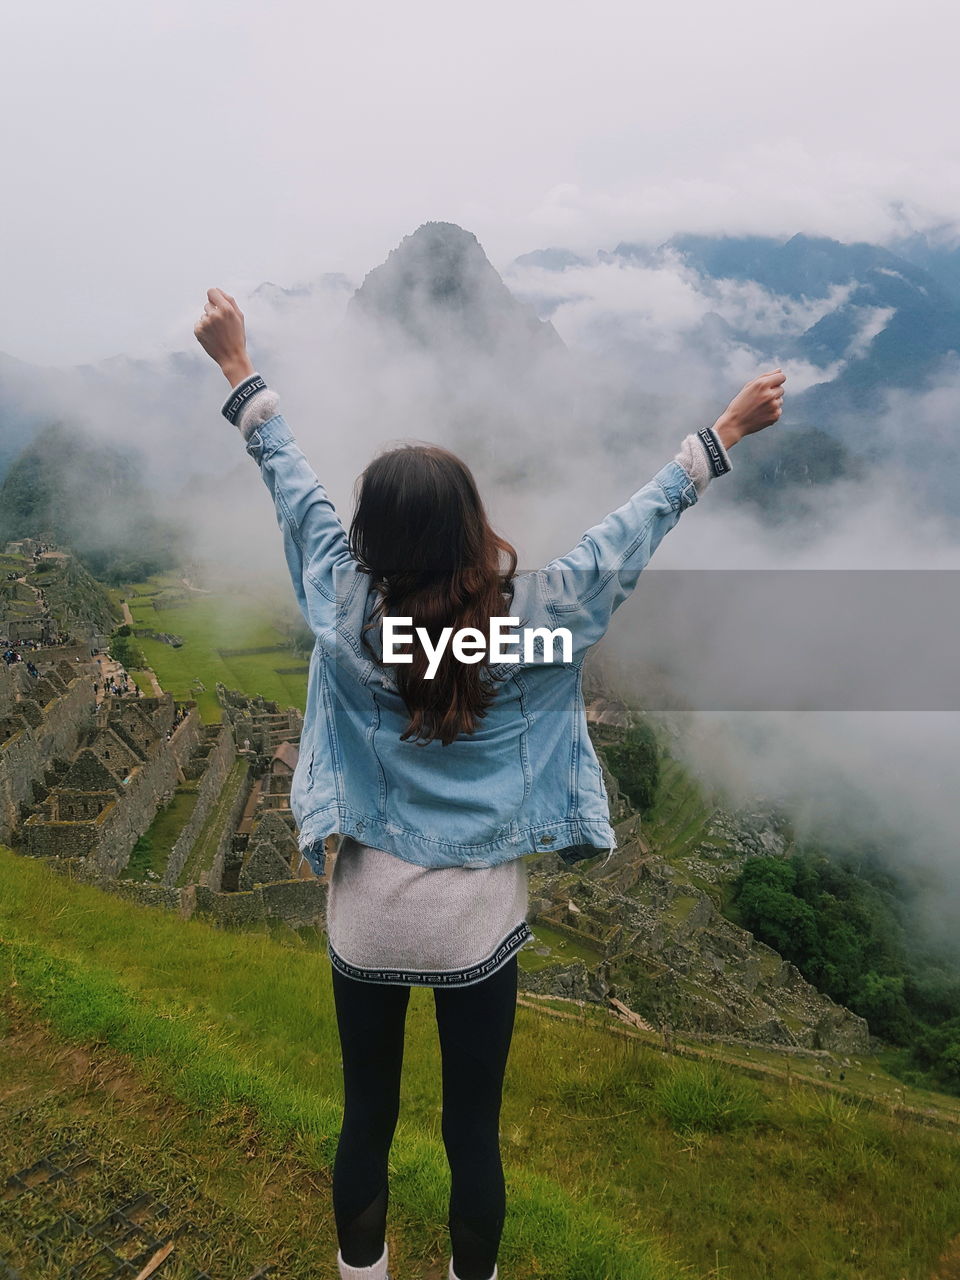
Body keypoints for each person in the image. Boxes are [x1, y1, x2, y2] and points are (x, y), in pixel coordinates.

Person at [194, 286, 784, 1280]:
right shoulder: (537, 622)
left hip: (368, 913)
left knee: (367, 1115)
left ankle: (362, 1273)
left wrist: (235, 365)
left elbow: (293, 489)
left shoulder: (344, 606)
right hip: (475, 924)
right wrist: (722, 432)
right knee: (474, 1129)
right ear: (474, 529)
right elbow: (626, 535)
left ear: (374, 543)